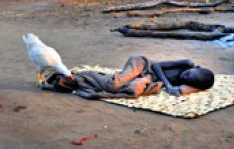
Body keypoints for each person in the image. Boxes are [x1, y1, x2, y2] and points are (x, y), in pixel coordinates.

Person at [42, 56, 214, 99]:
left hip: (148, 77)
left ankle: (75, 83)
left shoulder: (193, 81)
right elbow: (156, 66)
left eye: (188, 78)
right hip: (142, 64)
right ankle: (78, 77)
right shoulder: (188, 63)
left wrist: (188, 86)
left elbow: (190, 87)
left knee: (133, 89)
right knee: (114, 84)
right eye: (188, 74)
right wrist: (168, 85)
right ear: (196, 67)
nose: (185, 76)